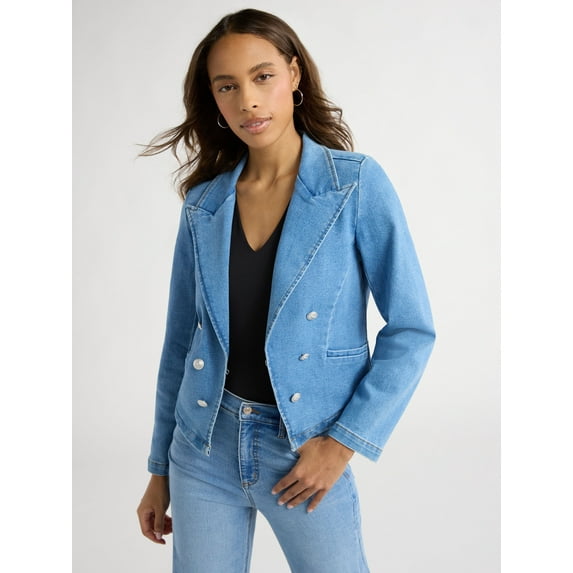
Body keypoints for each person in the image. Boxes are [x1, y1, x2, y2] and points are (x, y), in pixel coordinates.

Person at [136, 8, 435, 573]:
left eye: (263, 76)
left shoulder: (354, 185)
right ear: (214, 99)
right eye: (228, 86)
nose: (248, 100)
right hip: (202, 448)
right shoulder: (204, 205)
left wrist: (342, 443)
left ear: (294, 74)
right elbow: (180, 343)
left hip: (303, 448)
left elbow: (412, 329)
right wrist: (159, 471)